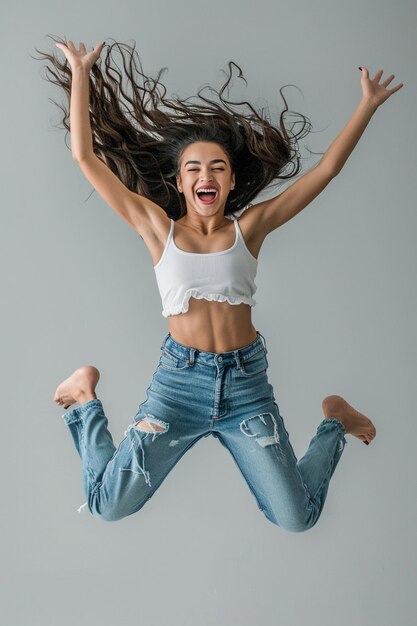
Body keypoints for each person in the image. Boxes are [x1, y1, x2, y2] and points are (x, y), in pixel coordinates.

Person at [37, 37, 403, 529]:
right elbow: (86, 158)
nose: (205, 175)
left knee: (297, 518)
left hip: (245, 388)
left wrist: (368, 105)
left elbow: (327, 171)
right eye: (194, 168)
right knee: (109, 505)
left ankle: (335, 420)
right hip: (179, 386)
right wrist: (80, 74)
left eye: (217, 167)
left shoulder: (249, 228)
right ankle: (84, 400)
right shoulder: (156, 228)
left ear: (230, 182)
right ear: (180, 183)